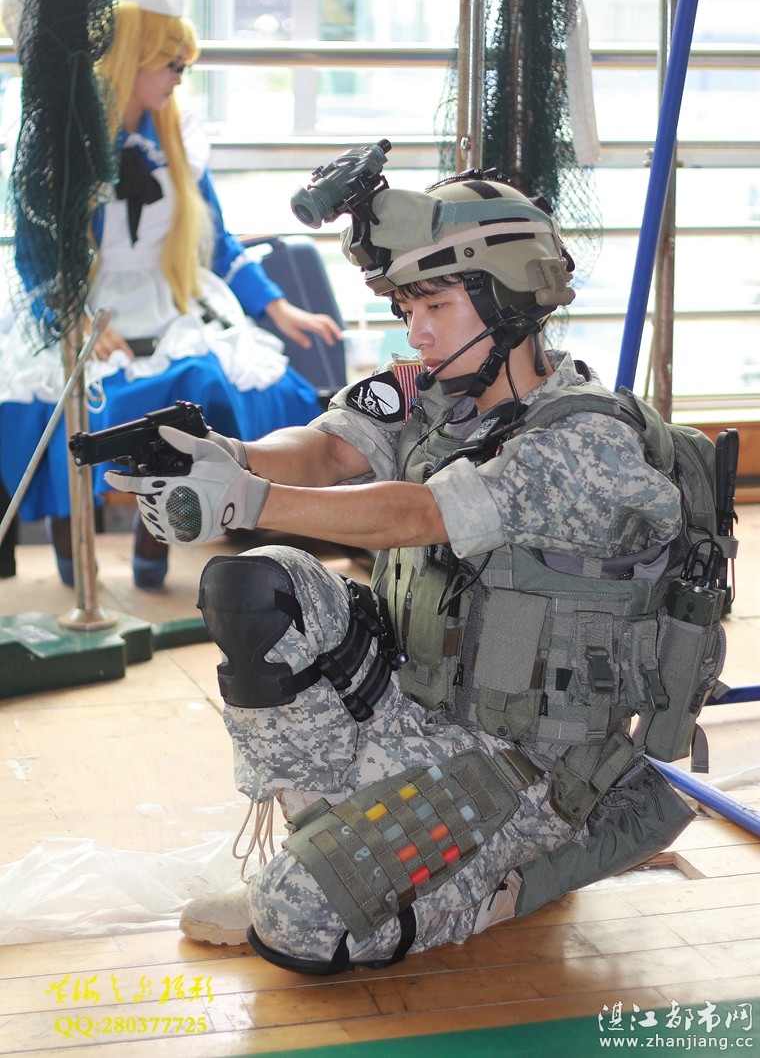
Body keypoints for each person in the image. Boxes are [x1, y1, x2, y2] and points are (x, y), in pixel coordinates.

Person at [106, 170, 696, 972]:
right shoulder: (436, 391)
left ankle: (545, 862)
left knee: (296, 923)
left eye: (436, 306)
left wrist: (249, 499)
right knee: (255, 586)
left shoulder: (586, 446)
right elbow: (327, 450)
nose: (415, 332)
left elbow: (420, 513)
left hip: (532, 767)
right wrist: (227, 456)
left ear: (509, 299)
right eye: (406, 308)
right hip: (417, 705)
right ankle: (332, 848)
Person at [0, 0, 341, 588]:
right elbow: (36, 248)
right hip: (82, 303)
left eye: (184, 66)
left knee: (204, 386)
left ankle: (154, 538)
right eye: (172, 65)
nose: (180, 79)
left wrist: (276, 307)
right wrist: (71, 316)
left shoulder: (178, 138)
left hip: (167, 301)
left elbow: (216, 241)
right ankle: (71, 549)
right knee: (64, 403)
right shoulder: (66, 139)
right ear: (135, 59)